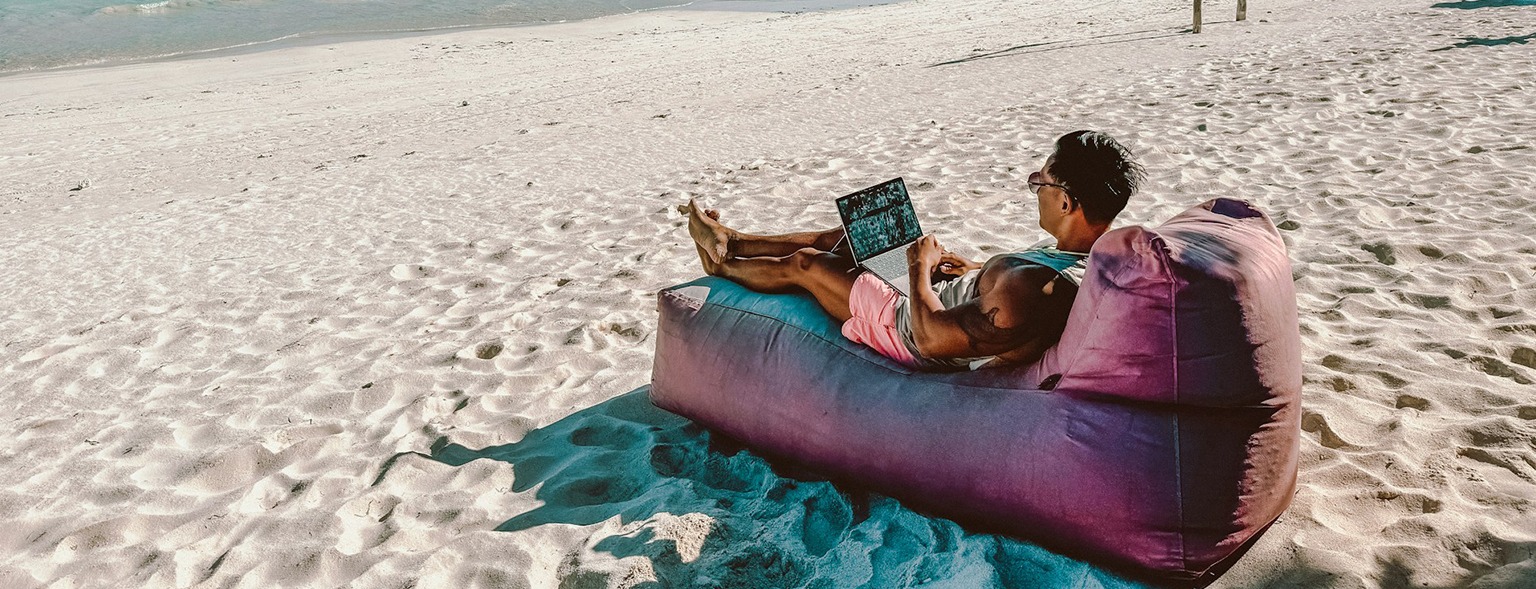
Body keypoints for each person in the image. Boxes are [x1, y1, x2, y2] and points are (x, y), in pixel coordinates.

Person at [684, 130, 1145, 371]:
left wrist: (918, 268)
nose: (1035, 189)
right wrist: (976, 269)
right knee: (851, 235)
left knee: (809, 265)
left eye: (1039, 182)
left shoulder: (1032, 291)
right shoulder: (1084, 256)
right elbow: (1013, 289)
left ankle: (722, 264)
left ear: (1066, 201)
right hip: (942, 294)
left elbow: (930, 341)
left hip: (907, 323)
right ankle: (737, 239)